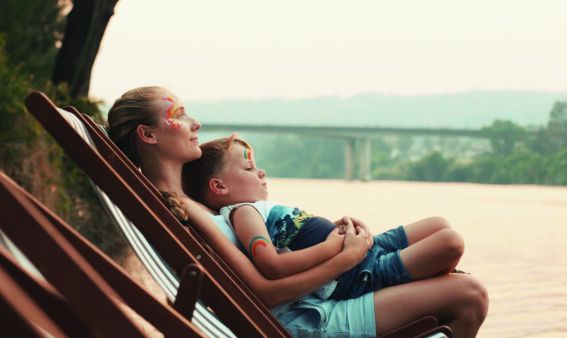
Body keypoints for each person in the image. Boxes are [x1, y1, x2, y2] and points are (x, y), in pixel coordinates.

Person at [107, 86, 488, 337]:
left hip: (313, 301)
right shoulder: (186, 212)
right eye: (181, 113)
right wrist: (345, 258)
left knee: (455, 272)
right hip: (304, 321)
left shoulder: (190, 203)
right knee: (469, 295)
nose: (196, 123)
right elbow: (264, 293)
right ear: (148, 134)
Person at [182, 135, 467, 301]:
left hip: (359, 253)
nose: (261, 173)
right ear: (220, 187)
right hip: (356, 273)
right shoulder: (243, 212)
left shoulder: (255, 210)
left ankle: (428, 273)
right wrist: (334, 246)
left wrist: (334, 229)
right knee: (449, 242)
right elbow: (272, 265)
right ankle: (423, 278)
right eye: (248, 168)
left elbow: (294, 238)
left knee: (438, 225)